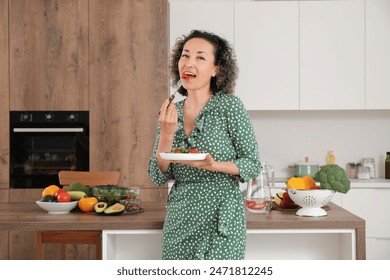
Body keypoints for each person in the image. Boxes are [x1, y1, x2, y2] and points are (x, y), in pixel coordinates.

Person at [148, 30, 261, 260]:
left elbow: (252, 164)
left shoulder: (230, 107)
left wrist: (214, 165)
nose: (188, 63)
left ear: (216, 69)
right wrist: (167, 135)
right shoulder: (171, 112)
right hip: (180, 222)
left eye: (200, 57)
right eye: (185, 56)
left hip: (222, 221)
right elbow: (157, 175)